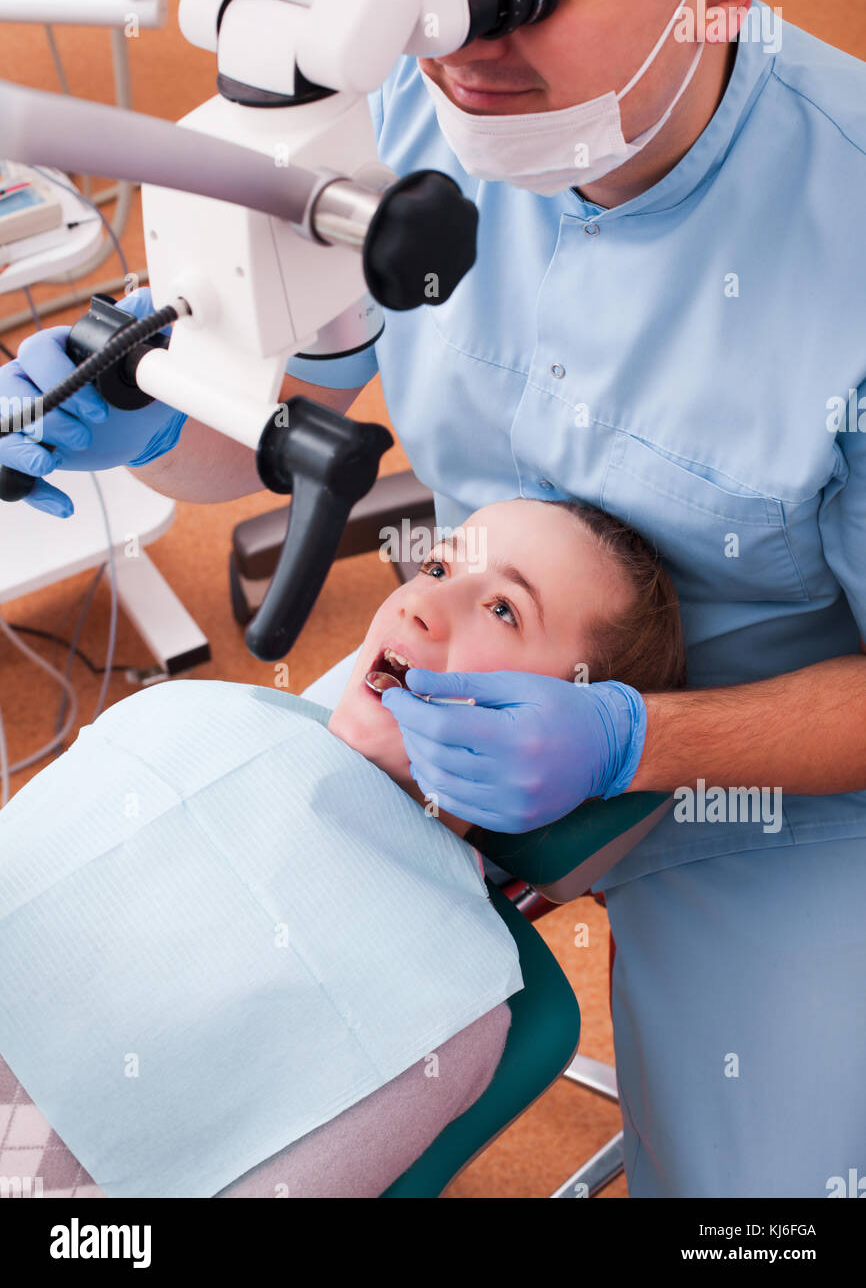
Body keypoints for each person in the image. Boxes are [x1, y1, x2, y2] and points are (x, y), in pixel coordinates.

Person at [1, 0, 864, 1197]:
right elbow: (272, 428)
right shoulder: (414, 101)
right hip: (440, 691)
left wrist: (636, 743)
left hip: (774, 778)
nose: (461, 39)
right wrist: (146, 410)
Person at [0, 497, 685, 1199]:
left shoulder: (449, 1012)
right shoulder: (179, 713)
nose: (421, 603)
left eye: (505, 609)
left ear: (560, 731)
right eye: (438, 565)